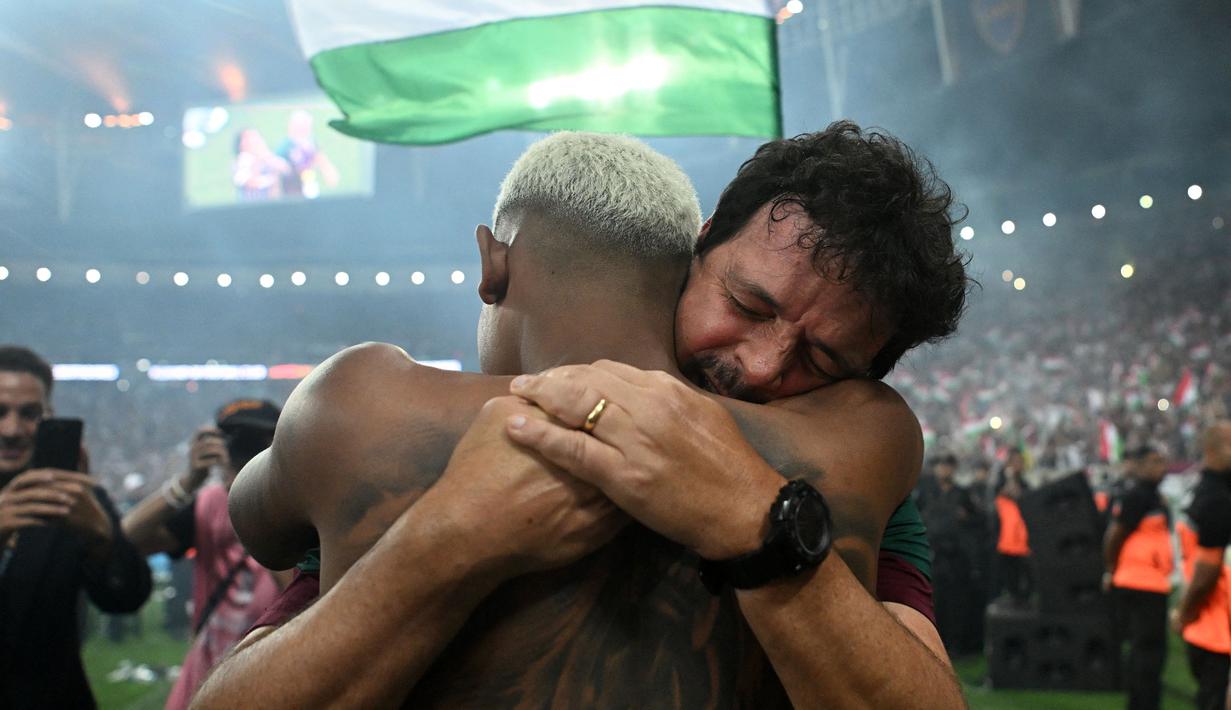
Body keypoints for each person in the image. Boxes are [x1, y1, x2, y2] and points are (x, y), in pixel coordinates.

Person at [197, 129, 968, 708]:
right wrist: (445, 541)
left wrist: (760, 524)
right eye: (745, 305)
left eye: (823, 362)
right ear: (692, 254)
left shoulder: (372, 410)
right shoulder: (855, 443)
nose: (762, 367)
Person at [0, 346, 151, 709]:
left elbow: (126, 597)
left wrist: (103, 540)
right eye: (0, 412)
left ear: (49, 418)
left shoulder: (73, 500)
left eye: (30, 414)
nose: (12, 429)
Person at [122, 399, 288, 710]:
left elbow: (302, 598)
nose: (244, 455)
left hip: (276, 678)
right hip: (206, 681)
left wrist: (256, 501)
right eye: (237, 443)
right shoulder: (209, 504)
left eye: (257, 445)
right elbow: (126, 540)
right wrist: (189, 481)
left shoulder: (298, 507)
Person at [1102, 445, 1173, 710]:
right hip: (1142, 584)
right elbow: (1114, 535)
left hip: (1146, 581)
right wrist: (1110, 569)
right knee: (1149, 652)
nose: (1161, 467)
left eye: (1163, 461)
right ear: (1140, 466)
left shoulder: (1152, 496)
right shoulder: (1138, 497)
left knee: (1146, 652)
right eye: (1155, 462)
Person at [1173, 420, 1231, 710]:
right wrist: (1185, 612)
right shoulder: (1215, 498)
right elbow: (1206, 572)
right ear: (1212, 450)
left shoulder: (1208, 491)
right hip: (1215, 622)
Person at [916, 452, 980, 654]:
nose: (945, 470)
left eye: (949, 466)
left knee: (956, 601)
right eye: (942, 465)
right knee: (935, 600)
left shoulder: (963, 494)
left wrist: (966, 518)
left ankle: (955, 643)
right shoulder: (926, 493)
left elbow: (978, 519)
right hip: (933, 554)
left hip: (957, 556)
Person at [992, 447, 1032, 605]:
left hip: (1022, 541)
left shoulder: (1025, 485)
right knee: (1007, 575)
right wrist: (1008, 477)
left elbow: (1020, 495)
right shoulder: (998, 484)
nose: (1016, 465)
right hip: (1003, 539)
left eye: (1019, 462)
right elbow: (1005, 493)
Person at [276, 110, 339, 199]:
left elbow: (324, 164)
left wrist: (329, 174)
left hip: (309, 191)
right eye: (300, 126)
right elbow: (278, 170)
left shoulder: (312, 145)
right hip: (291, 195)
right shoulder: (285, 146)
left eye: (306, 126)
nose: (303, 130)